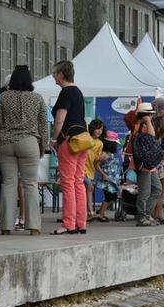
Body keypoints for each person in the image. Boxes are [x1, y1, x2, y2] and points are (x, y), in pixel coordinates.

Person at [0, 65, 49, 235]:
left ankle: (6, 225)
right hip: (29, 143)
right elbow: (43, 124)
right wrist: (43, 145)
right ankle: (33, 226)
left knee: (8, 182)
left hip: (5, 143)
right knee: (30, 183)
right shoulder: (37, 98)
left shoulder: (3, 98)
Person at [49, 60, 88, 235]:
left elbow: (60, 119)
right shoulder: (78, 92)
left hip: (69, 141)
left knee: (68, 182)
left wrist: (54, 138)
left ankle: (69, 223)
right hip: (83, 141)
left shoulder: (65, 93)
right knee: (79, 181)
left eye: (54, 74)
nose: (53, 77)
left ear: (61, 74)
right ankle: (81, 222)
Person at [134, 102, 162, 227]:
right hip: (145, 165)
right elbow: (152, 137)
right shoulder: (141, 126)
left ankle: (147, 213)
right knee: (144, 193)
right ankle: (141, 216)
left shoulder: (145, 124)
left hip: (151, 165)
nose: (151, 117)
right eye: (150, 114)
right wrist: (147, 120)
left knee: (157, 189)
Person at [95, 131, 122, 222]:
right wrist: (103, 175)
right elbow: (96, 165)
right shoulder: (105, 154)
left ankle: (101, 211)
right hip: (107, 179)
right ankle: (101, 214)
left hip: (112, 179)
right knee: (109, 197)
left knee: (113, 197)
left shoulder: (109, 153)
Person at [84, 119, 105, 222]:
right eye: (97, 128)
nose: (99, 131)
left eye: (101, 129)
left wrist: (101, 158)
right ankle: (89, 211)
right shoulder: (86, 139)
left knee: (88, 190)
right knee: (89, 187)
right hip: (81, 170)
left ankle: (87, 213)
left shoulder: (100, 143)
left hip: (90, 171)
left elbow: (95, 163)